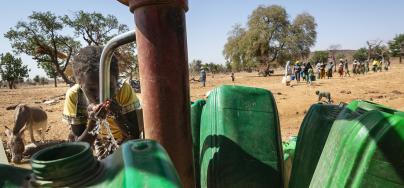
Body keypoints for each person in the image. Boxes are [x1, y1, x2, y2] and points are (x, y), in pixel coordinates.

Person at [63, 46, 141, 159]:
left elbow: (134, 135)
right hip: (97, 139)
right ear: (80, 83)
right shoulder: (75, 96)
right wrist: (93, 121)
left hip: (123, 138)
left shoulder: (123, 89)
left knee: (127, 163)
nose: (101, 96)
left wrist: (117, 114)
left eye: (109, 87)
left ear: (116, 80)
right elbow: (80, 146)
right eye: (92, 89)